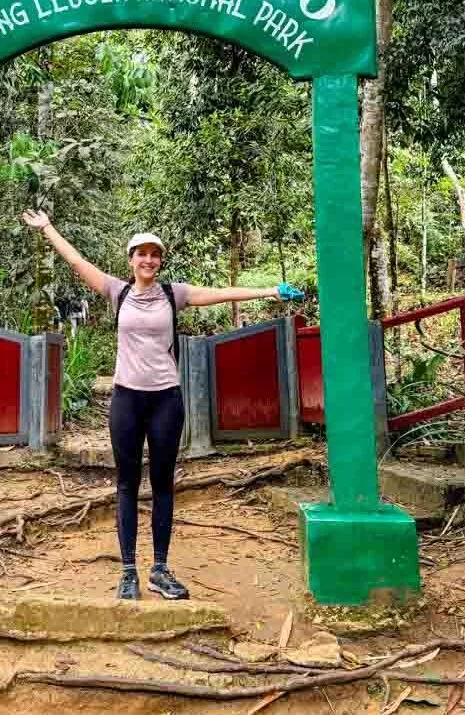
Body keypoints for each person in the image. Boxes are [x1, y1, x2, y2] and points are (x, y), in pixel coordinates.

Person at [22, 209, 305, 600]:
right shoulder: (117, 291)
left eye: (155, 254)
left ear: (160, 261)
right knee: (126, 484)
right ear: (131, 260)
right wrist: (47, 228)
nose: (149, 260)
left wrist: (271, 291)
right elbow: (77, 262)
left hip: (166, 400)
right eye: (142, 254)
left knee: (163, 485)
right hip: (127, 398)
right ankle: (128, 572)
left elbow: (220, 293)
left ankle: (159, 569)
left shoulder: (175, 294)